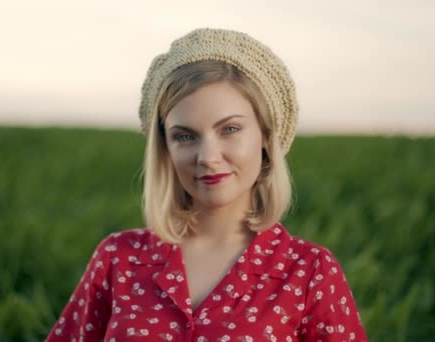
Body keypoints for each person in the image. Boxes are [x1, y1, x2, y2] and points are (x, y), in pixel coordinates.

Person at [46, 27, 368, 341]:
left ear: (266, 137)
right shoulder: (118, 259)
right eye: (185, 136)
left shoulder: (309, 272)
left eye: (229, 130)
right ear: (165, 148)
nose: (207, 157)